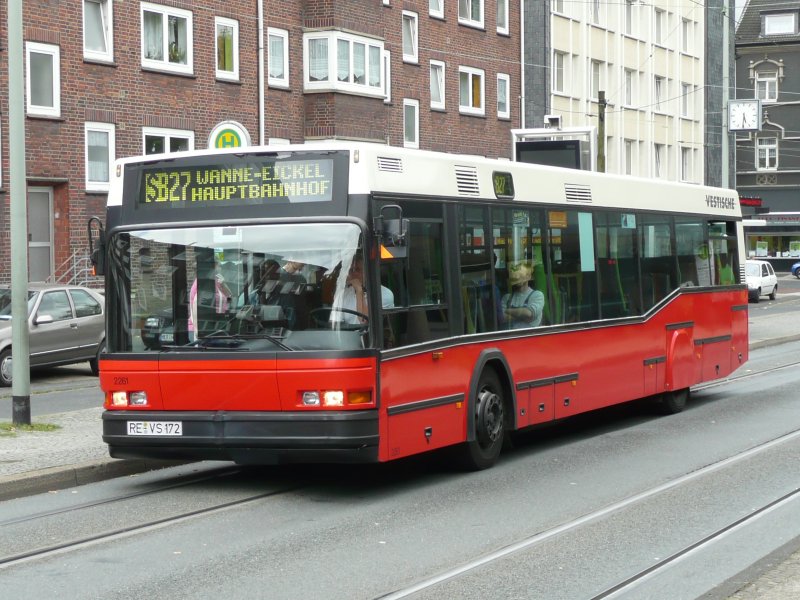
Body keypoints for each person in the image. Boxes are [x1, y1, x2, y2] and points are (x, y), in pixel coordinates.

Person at [334, 253, 394, 325]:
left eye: (357, 269)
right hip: (350, 335)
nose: (354, 273)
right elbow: (336, 324)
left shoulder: (385, 294)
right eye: (351, 270)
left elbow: (364, 321)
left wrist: (359, 291)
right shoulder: (344, 294)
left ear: (367, 272)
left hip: (372, 335)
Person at [189, 264, 232, 339]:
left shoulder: (216, 281)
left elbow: (230, 298)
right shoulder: (204, 282)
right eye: (219, 265)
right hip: (203, 329)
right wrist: (197, 330)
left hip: (216, 327)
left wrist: (223, 284)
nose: (220, 268)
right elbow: (196, 304)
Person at [501, 262, 544, 329]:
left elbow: (529, 314)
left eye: (521, 274)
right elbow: (502, 318)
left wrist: (507, 310)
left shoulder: (537, 295)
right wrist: (523, 314)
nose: (517, 277)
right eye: (515, 274)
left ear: (528, 276)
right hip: (511, 338)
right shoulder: (507, 297)